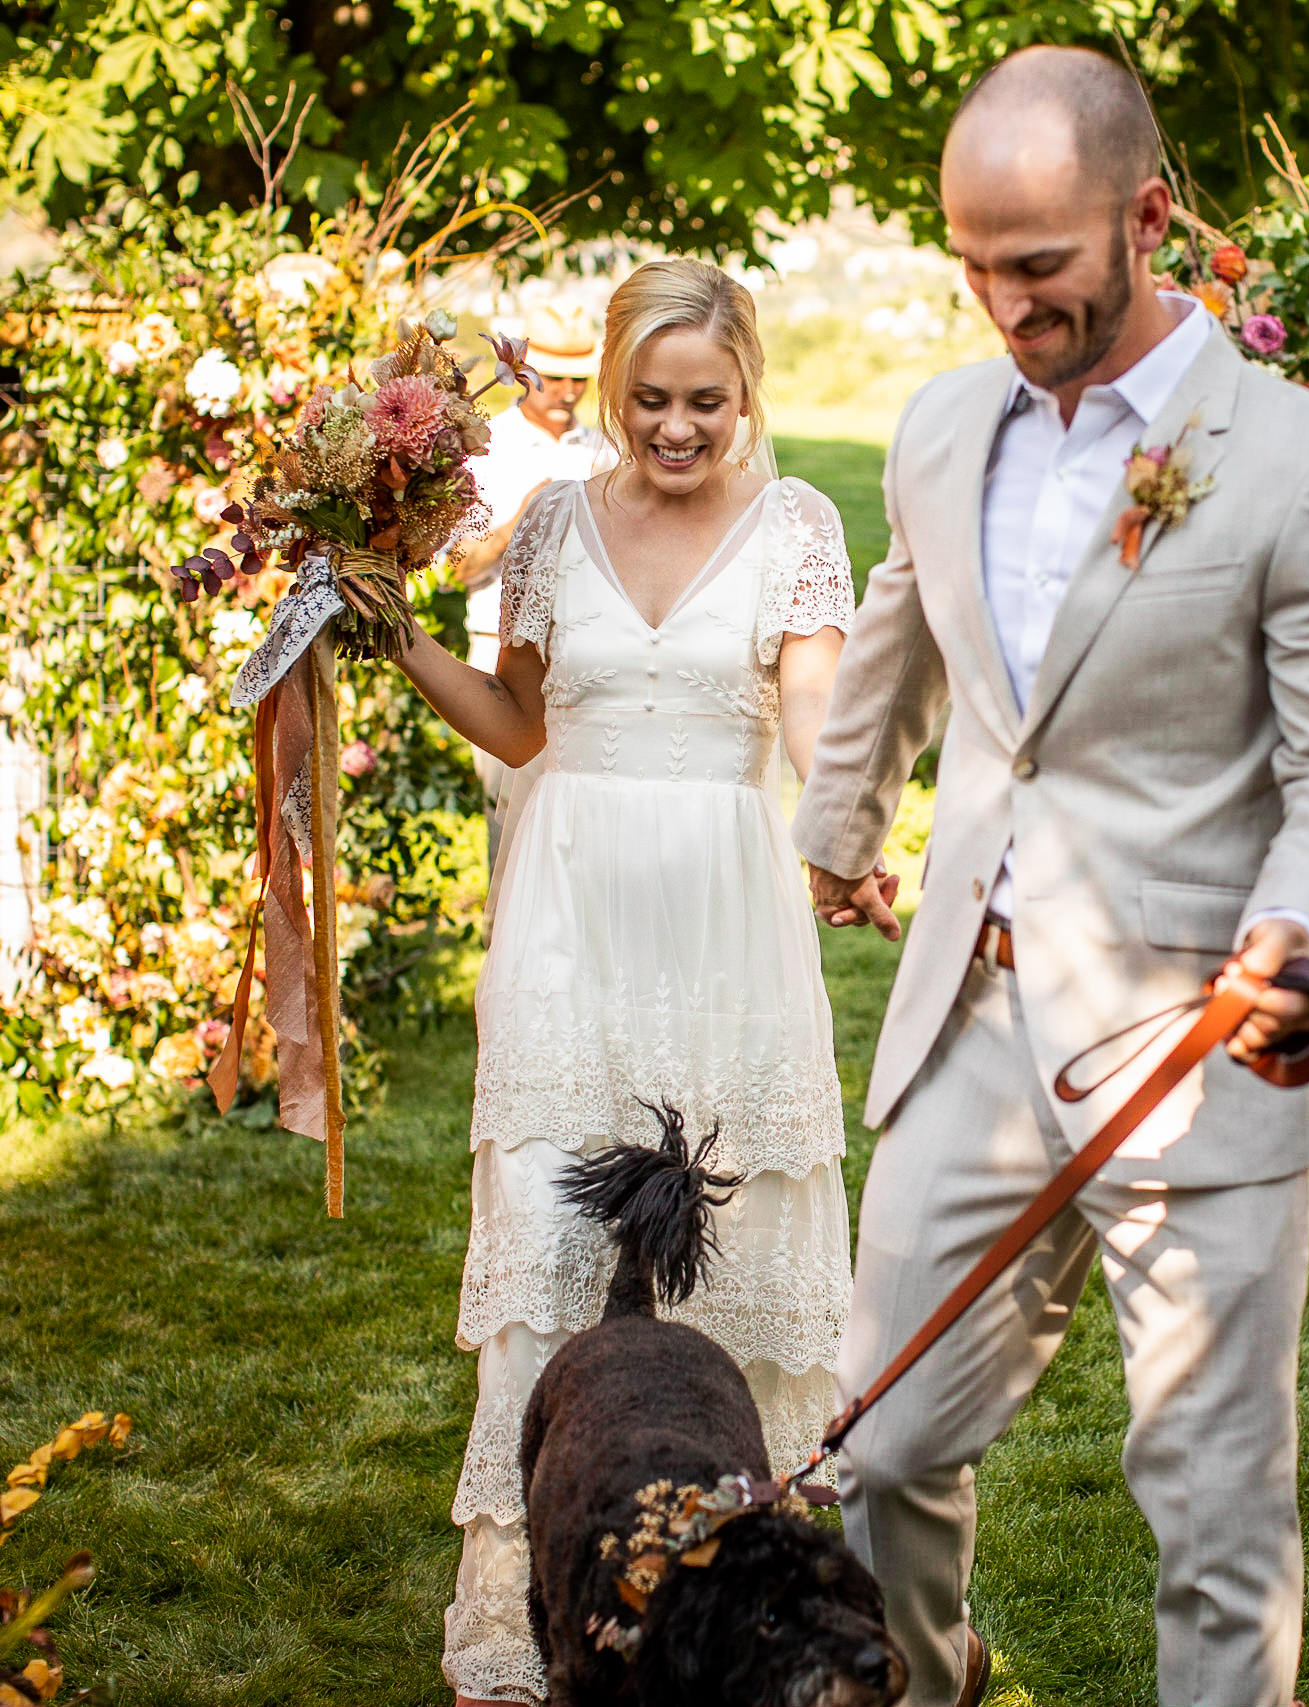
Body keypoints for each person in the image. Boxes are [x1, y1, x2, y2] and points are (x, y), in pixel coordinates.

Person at [792, 46, 1309, 1707]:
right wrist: (833, 830)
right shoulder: (937, 427)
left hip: (1194, 1048)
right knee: (882, 1450)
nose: (1004, 301)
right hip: (974, 1029)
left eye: (1041, 263)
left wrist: (1296, 929)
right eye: (974, 264)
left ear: (1148, 216)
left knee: (1215, 1517)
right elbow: (895, 638)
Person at [392, 258, 861, 1705]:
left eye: (703, 401)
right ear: (610, 388)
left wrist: (851, 835)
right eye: (648, 398)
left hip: (726, 926)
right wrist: (395, 630)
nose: (674, 426)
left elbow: (816, 718)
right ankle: (524, 1598)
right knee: (545, 1232)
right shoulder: (547, 525)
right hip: (568, 921)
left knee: (725, 1242)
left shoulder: (795, 526)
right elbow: (519, 726)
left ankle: (736, 1592)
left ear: (747, 390)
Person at [458, 300, 614, 865]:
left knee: (583, 808)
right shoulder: (484, 448)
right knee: (510, 810)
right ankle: (502, 937)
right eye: (556, 377)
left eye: (581, 379)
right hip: (499, 647)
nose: (569, 391)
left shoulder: (604, 449)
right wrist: (522, 523)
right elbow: (458, 569)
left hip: (589, 650)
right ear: (523, 375)